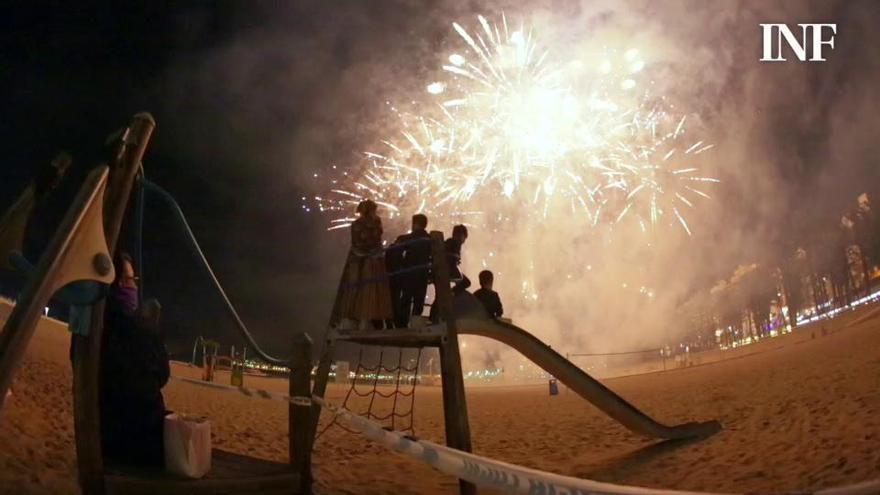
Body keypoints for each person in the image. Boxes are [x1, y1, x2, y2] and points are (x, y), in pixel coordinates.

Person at [100, 252, 170, 467]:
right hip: (139, 444)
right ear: (120, 283)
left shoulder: (93, 326)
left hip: (103, 436)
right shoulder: (139, 330)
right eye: (132, 280)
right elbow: (162, 375)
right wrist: (150, 328)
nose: (135, 287)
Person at [340, 199, 393, 328]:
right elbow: (376, 239)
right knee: (372, 290)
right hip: (373, 260)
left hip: (357, 259)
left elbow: (356, 242)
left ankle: (352, 319)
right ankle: (367, 320)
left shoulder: (356, 224)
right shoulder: (376, 222)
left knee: (355, 288)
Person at [394, 214, 431, 327]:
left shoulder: (409, 238)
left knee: (406, 298)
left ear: (415, 224)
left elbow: (397, 248)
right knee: (419, 299)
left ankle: (401, 324)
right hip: (423, 273)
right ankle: (416, 322)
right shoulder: (430, 239)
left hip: (409, 273)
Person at [445, 224, 471, 294]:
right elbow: (452, 260)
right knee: (466, 282)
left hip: (445, 269)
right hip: (449, 270)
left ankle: (450, 293)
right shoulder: (455, 244)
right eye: (464, 237)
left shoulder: (449, 242)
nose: (464, 240)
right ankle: (451, 293)